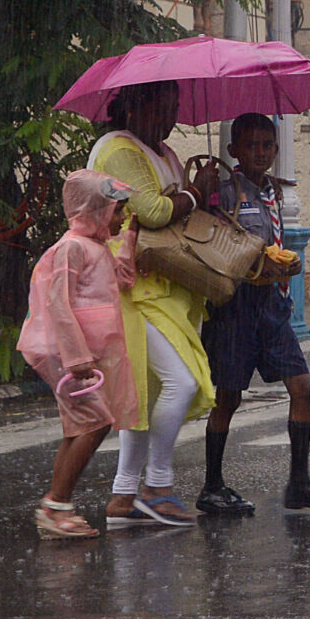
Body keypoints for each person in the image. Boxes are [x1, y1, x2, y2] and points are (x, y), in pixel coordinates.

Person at [193, 112, 310, 516]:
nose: (260, 153)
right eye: (251, 145)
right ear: (234, 151)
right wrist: (203, 192)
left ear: (276, 150)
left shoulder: (274, 194)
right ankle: (213, 485)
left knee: (303, 388)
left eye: (267, 145)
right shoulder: (225, 192)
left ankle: (299, 483)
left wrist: (287, 266)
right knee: (227, 397)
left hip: (272, 307)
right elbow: (212, 248)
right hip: (235, 309)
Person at [89, 80, 214, 528]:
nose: (171, 117)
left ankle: (124, 497)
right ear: (136, 106)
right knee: (180, 382)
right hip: (131, 288)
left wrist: (198, 192)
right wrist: (195, 192)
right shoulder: (117, 149)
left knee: (145, 392)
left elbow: (177, 209)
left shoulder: (163, 152)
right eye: (163, 107)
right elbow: (153, 212)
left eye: (175, 107)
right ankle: (157, 487)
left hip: (163, 288)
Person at [17, 171, 140, 539]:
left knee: (82, 425)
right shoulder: (71, 247)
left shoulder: (98, 246)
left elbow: (124, 279)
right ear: (95, 209)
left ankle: (58, 507)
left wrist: (131, 237)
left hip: (87, 358)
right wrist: (75, 357)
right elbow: (59, 301)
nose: (121, 218)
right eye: (117, 212)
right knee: (94, 422)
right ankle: (55, 504)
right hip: (70, 358)